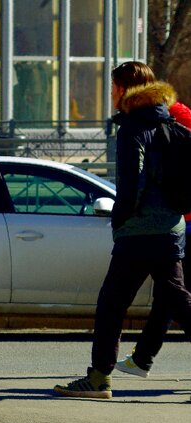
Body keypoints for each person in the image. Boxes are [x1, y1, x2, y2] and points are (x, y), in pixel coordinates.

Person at [54, 61, 191, 400]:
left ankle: (99, 379)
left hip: (141, 233)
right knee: (179, 301)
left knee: (112, 304)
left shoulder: (132, 128)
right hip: (172, 228)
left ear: (126, 88)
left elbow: (132, 183)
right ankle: (101, 377)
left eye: (114, 86)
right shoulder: (170, 124)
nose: (111, 92)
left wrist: (120, 220)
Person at [115, 97, 191, 378]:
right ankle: (142, 358)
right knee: (170, 295)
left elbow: (137, 180)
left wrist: (120, 218)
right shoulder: (178, 118)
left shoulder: (167, 121)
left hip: (172, 224)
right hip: (177, 223)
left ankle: (140, 359)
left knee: (174, 297)